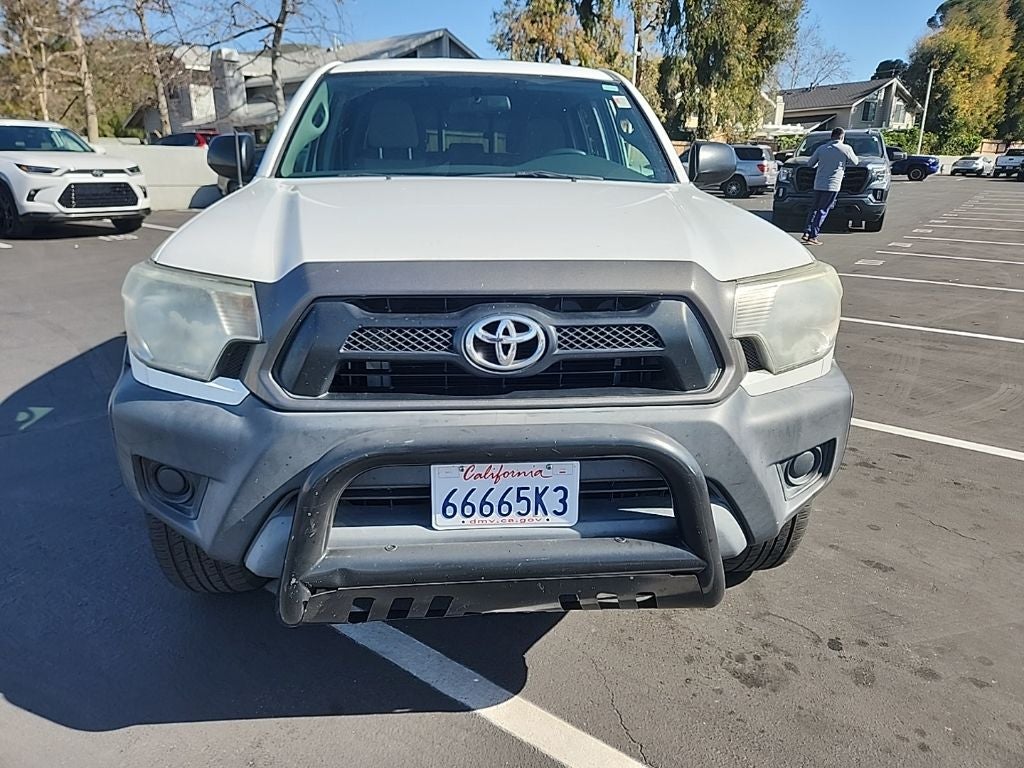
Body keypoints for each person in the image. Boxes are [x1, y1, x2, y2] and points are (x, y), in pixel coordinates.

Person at [803, 127, 859, 245]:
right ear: (842, 137)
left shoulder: (822, 148)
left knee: (814, 208)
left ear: (831, 136)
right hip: (833, 184)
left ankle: (807, 232)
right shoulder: (845, 149)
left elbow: (810, 164)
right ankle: (813, 235)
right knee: (823, 210)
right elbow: (855, 162)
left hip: (818, 183)